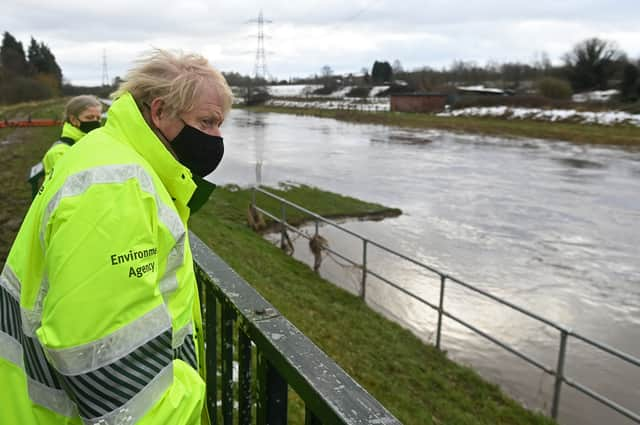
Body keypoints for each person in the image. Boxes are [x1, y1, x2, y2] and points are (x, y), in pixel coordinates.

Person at [0, 49, 232, 425]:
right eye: (207, 122)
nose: (217, 137)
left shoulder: (110, 157)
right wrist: (185, 397)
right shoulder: (116, 189)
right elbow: (101, 364)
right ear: (159, 112)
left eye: (221, 125)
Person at [42, 95, 103, 177]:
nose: (95, 122)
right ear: (73, 120)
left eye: (98, 118)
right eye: (89, 117)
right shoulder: (59, 153)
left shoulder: (95, 142)